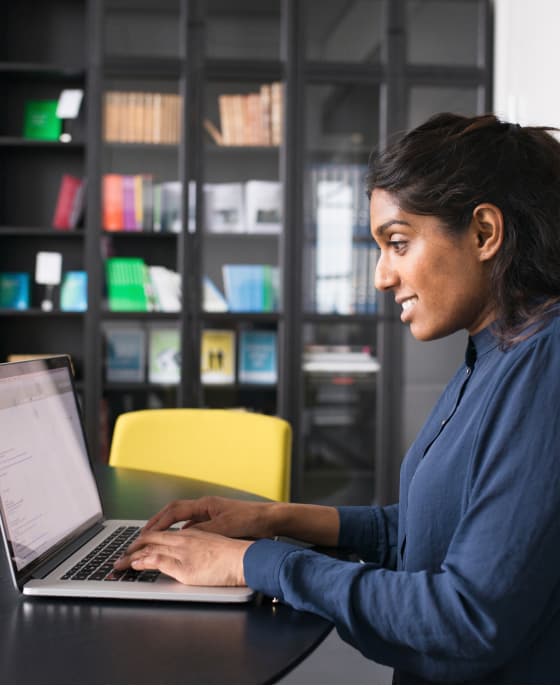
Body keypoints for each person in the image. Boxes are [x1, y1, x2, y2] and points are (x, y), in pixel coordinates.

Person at [115, 112, 560, 684]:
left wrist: (254, 563)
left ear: (483, 233)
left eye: (397, 243)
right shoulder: (496, 349)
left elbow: (467, 618)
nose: (380, 275)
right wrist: (272, 518)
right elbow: (436, 529)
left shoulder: (543, 366)